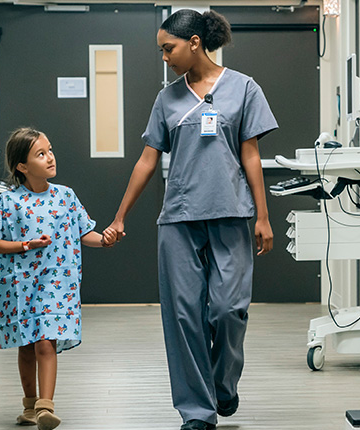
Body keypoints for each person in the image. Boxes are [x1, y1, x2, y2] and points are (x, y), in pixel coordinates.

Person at [104, 9, 278, 430]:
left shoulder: (244, 89)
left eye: (169, 48)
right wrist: (121, 215)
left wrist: (263, 215)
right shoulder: (167, 99)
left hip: (233, 214)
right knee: (184, 318)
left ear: (195, 42)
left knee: (228, 310)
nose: (164, 56)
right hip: (179, 218)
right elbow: (148, 160)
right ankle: (197, 412)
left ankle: (222, 383)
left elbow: (251, 155)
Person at [0, 127, 117, 430]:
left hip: (56, 284)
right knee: (26, 347)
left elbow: (85, 233)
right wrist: (27, 245)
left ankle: (45, 406)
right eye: (41, 154)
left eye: (50, 150)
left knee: (45, 342)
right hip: (18, 285)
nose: (50, 157)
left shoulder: (66, 196)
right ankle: (29, 406)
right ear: (22, 167)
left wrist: (104, 239)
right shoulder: (9, 202)